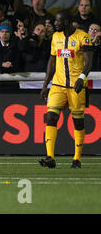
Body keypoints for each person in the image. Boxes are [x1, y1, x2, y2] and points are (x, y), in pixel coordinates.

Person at [39, 9, 94, 169]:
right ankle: (50, 157)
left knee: (78, 121)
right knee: (50, 117)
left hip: (76, 86)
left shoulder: (83, 37)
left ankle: (77, 158)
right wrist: (45, 85)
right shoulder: (56, 37)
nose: (55, 24)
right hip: (58, 84)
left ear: (67, 22)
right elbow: (52, 62)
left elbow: (89, 62)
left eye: (58, 21)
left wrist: (82, 78)